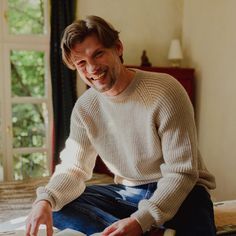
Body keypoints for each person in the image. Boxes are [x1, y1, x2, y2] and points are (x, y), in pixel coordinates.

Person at [26, 15, 216, 236]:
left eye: (98, 54)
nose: (92, 68)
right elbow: (73, 169)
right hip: (128, 192)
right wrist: (45, 200)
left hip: (182, 189)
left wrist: (140, 221)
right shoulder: (85, 108)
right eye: (81, 63)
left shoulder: (166, 91)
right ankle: (148, 231)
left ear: (118, 48)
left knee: (194, 209)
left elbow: (181, 173)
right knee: (57, 207)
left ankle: (142, 228)